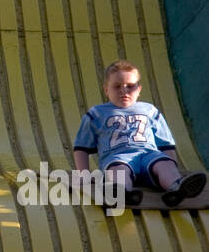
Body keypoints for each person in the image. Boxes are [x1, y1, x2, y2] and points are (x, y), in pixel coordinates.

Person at [73, 60, 206, 207]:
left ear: (139, 89)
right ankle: (122, 192)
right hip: (118, 157)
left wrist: (172, 166)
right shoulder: (97, 113)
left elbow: (166, 143)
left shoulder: (149, 110)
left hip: (149, 155)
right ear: (106, 90)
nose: (124, 91)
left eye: (130, 86)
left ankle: (176, 188)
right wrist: (83, 174)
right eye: (117, 87)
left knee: (164, 164)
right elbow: (81, 147)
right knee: (118, 171)